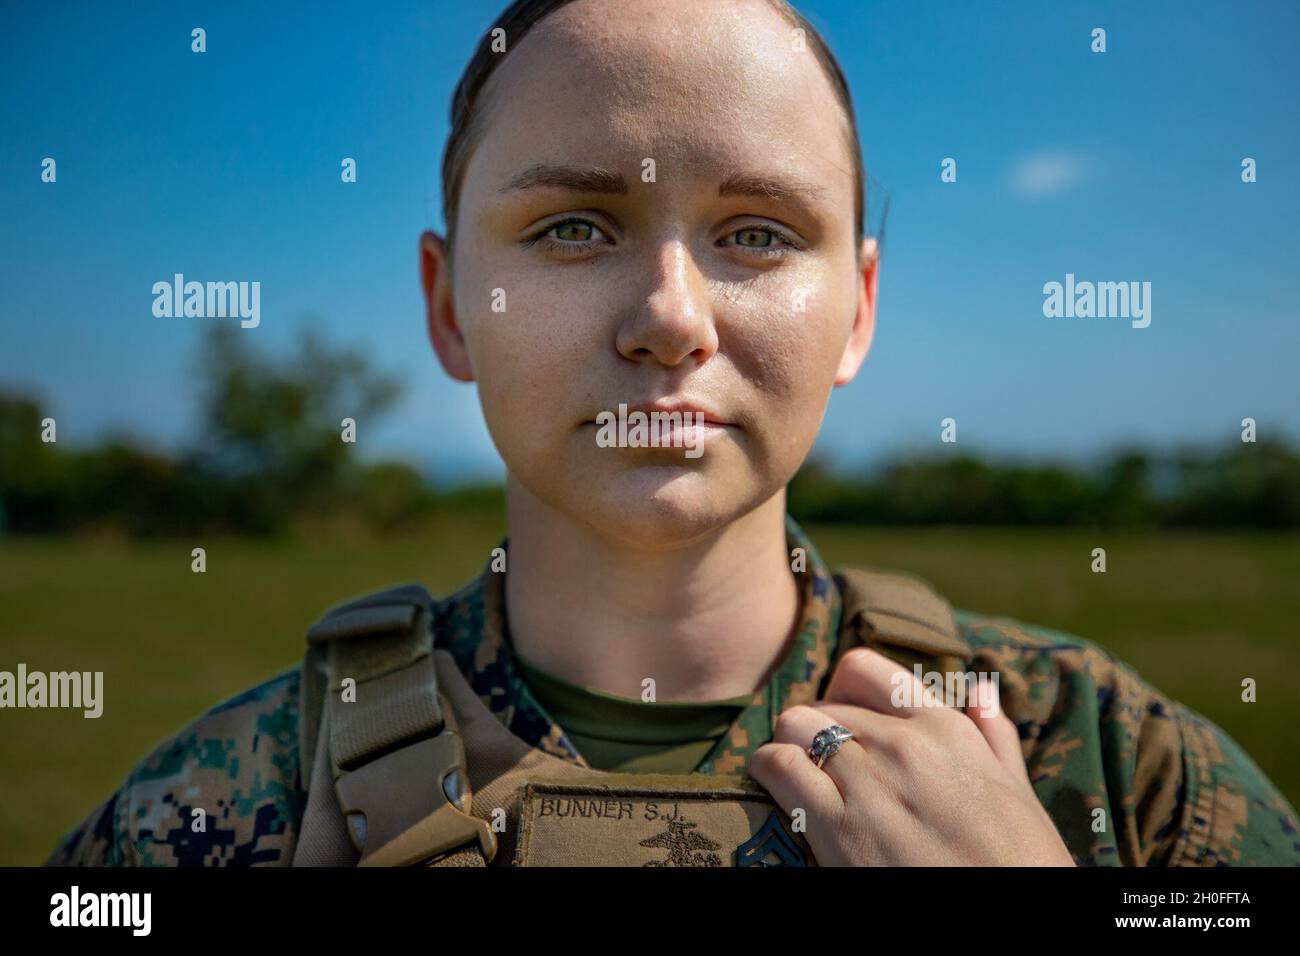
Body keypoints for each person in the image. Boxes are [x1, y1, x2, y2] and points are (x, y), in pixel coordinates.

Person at [47, 0, 1300, 867]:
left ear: (857, 308)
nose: (666, 318)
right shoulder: (218, 800)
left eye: (756, 232)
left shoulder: (1108, 771)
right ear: (448, 308)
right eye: (571, 228)